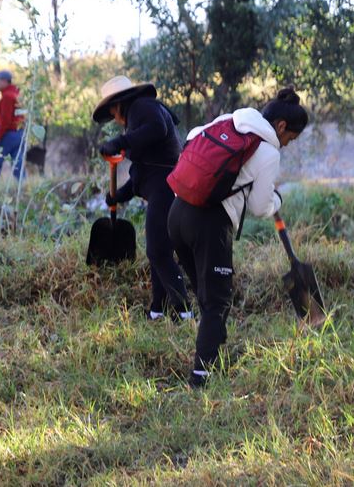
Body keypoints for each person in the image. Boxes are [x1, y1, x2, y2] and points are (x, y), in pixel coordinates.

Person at [167, 88, 308, 388]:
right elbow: (259, 206)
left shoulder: (229, 121)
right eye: (290, 138)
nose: (287, 144)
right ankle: (200, 381)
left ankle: (216, 357)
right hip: (208, 223)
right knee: (217, 301)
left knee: (208, 297)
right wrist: (276, 200)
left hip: (176, 213)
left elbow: (191, 139)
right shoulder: (268, 152)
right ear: (281, 126)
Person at [94, 76, 192, 321]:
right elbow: (142, 174)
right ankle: (158, 310)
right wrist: (118, 195)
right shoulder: (137, 119)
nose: (113, 117)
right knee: (158, 252)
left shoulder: (143, 106)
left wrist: (120, 142)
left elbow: (158, 128)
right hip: (161, 188)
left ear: (117, 104)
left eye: (111, 111)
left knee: (158, 251)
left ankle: (184, 311)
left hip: (167, 188)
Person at [0, 69, 25, 180]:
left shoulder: (7, 97)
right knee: (18, 163)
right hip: (20, 133)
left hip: (9, 134)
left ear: (4, 81)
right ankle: (23, 185)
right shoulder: (17, 94)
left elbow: (5, 120)